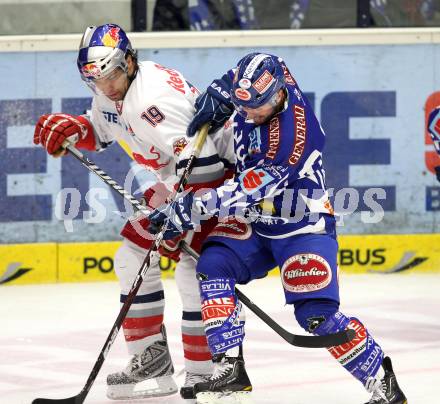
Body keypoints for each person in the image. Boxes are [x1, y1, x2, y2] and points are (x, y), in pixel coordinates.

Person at [148, 52, 408, 403]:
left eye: (257, 107)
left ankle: (382, 383)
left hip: (302, 226)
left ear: (279, 94)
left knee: (316, 316)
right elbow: (266, 61)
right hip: (258, 223)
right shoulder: (271, 76)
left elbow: (242, 192)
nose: (249, 113)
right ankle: (230, 370)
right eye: (244, 105)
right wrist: (222, 91)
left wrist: (188, 207)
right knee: (211, 266)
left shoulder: (289, 142)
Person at [33, 23, 235, 400]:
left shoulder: (152, 101)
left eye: (110, 74)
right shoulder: (113, 93)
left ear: (128, 60)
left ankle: (205, 374)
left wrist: (182, 216)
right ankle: (153, 362)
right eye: (94, 79)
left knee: (194, 273)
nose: (105, 86)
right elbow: (104, 129)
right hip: (181, 181)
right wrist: (75, 129)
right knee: (131, 257)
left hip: (222, 181)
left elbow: (205, 166)